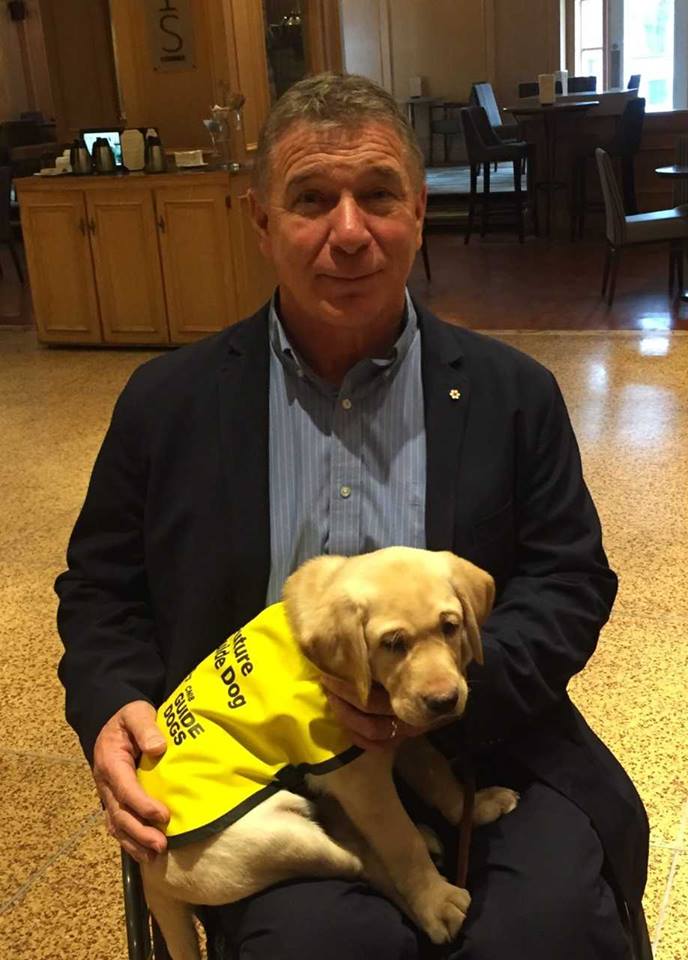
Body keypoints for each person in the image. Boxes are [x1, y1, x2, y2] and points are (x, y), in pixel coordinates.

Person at [55, 72, 648, 960]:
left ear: (418, 210)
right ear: (261, 223)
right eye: (310, 200)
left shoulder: (510, 392)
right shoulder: (165, 403)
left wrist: (451, 697)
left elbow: (571, 579)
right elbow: (101, 590)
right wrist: (115, 709)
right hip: (275, 767)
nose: (348, 233)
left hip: (485, 736)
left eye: (377, 197)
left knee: (552, 928)